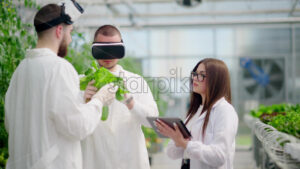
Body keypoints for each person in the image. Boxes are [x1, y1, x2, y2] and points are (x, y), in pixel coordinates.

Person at [5, 2, 117, 169]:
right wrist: (99, 101)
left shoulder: (20, 71)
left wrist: (81, 98)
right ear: (59, 30)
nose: (70, 39)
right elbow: (77, 126)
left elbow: (15, 122)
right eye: (70, 32)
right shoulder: (59, 67)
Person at [81, 25, 159, 169]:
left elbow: (153, 121)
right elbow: (71, 123)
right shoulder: (82, 82)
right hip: (95, 161)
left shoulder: (135, 81)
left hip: (130, 161)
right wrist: (82, 101)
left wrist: (132, 104)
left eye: (113, 49)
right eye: (102, 49)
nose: (108, 56)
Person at [156, 58, 238, 169]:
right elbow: (172, 154)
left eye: (201, 75)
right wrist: (176, 139)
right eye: (194, 74)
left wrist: (185, 144)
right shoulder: (194, 112)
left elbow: (219, 155)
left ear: (215, 80)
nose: (195, 78)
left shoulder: (225, 111)